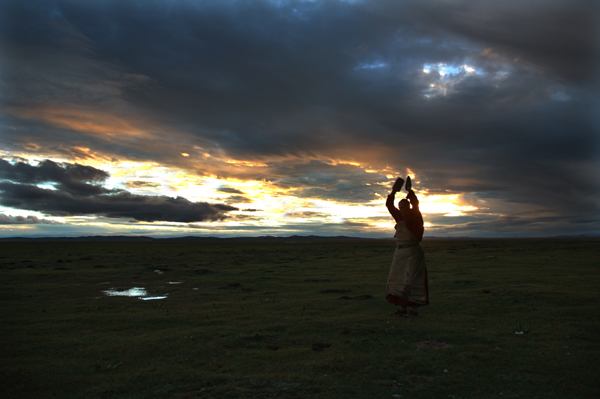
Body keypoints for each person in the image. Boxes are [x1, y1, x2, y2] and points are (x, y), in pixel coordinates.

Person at [385, 178, 429, 317]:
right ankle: (401, 308)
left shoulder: (414, 216)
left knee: (412, 280)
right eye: (400, 208)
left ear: (408, 207)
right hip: (400, 252)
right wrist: (393, 192)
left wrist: (409, 191)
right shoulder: (399, 217)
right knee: (398, 280)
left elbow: (415, 204)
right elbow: (389, 206)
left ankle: (414, 310)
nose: (401, 210)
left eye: (403, 207)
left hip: (413, 253)